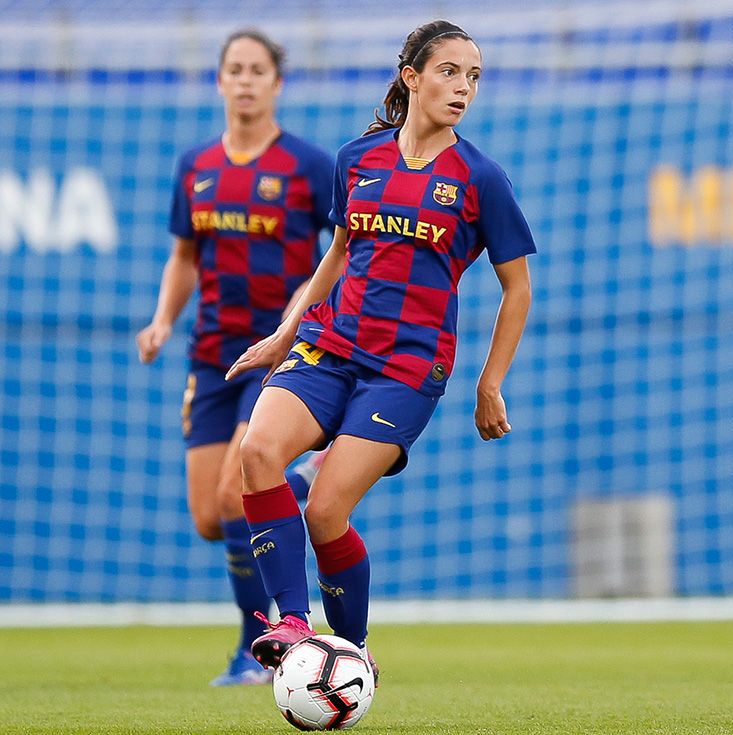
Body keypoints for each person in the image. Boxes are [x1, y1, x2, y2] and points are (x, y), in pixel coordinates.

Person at [225, 20, 536, 677]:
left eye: (474, 76)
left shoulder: (480, 177)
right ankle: (290, 621)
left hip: (405, 369)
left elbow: (518, 289)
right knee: (256, 450)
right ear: (412, 76)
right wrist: (286, 335)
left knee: (328, 509)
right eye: (450, 71)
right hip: (329, 344)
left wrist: (490, 382)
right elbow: (337, 254)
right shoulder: (357, 159)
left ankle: (352, 653)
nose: (464, 87)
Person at [135, 28, 335, 685]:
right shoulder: (196, 166)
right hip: (212, 355)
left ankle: (256, 649)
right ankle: (296, 479)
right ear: (219, 81)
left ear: (277, 83)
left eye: (258, 70)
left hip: (279, 351)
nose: (246, 80)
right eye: (235, 69)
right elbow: (185, 256)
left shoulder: (307, 165)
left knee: (235, 489)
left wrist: (297, 316)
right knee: (210, 515)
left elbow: (338, 256)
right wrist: (163, 319)